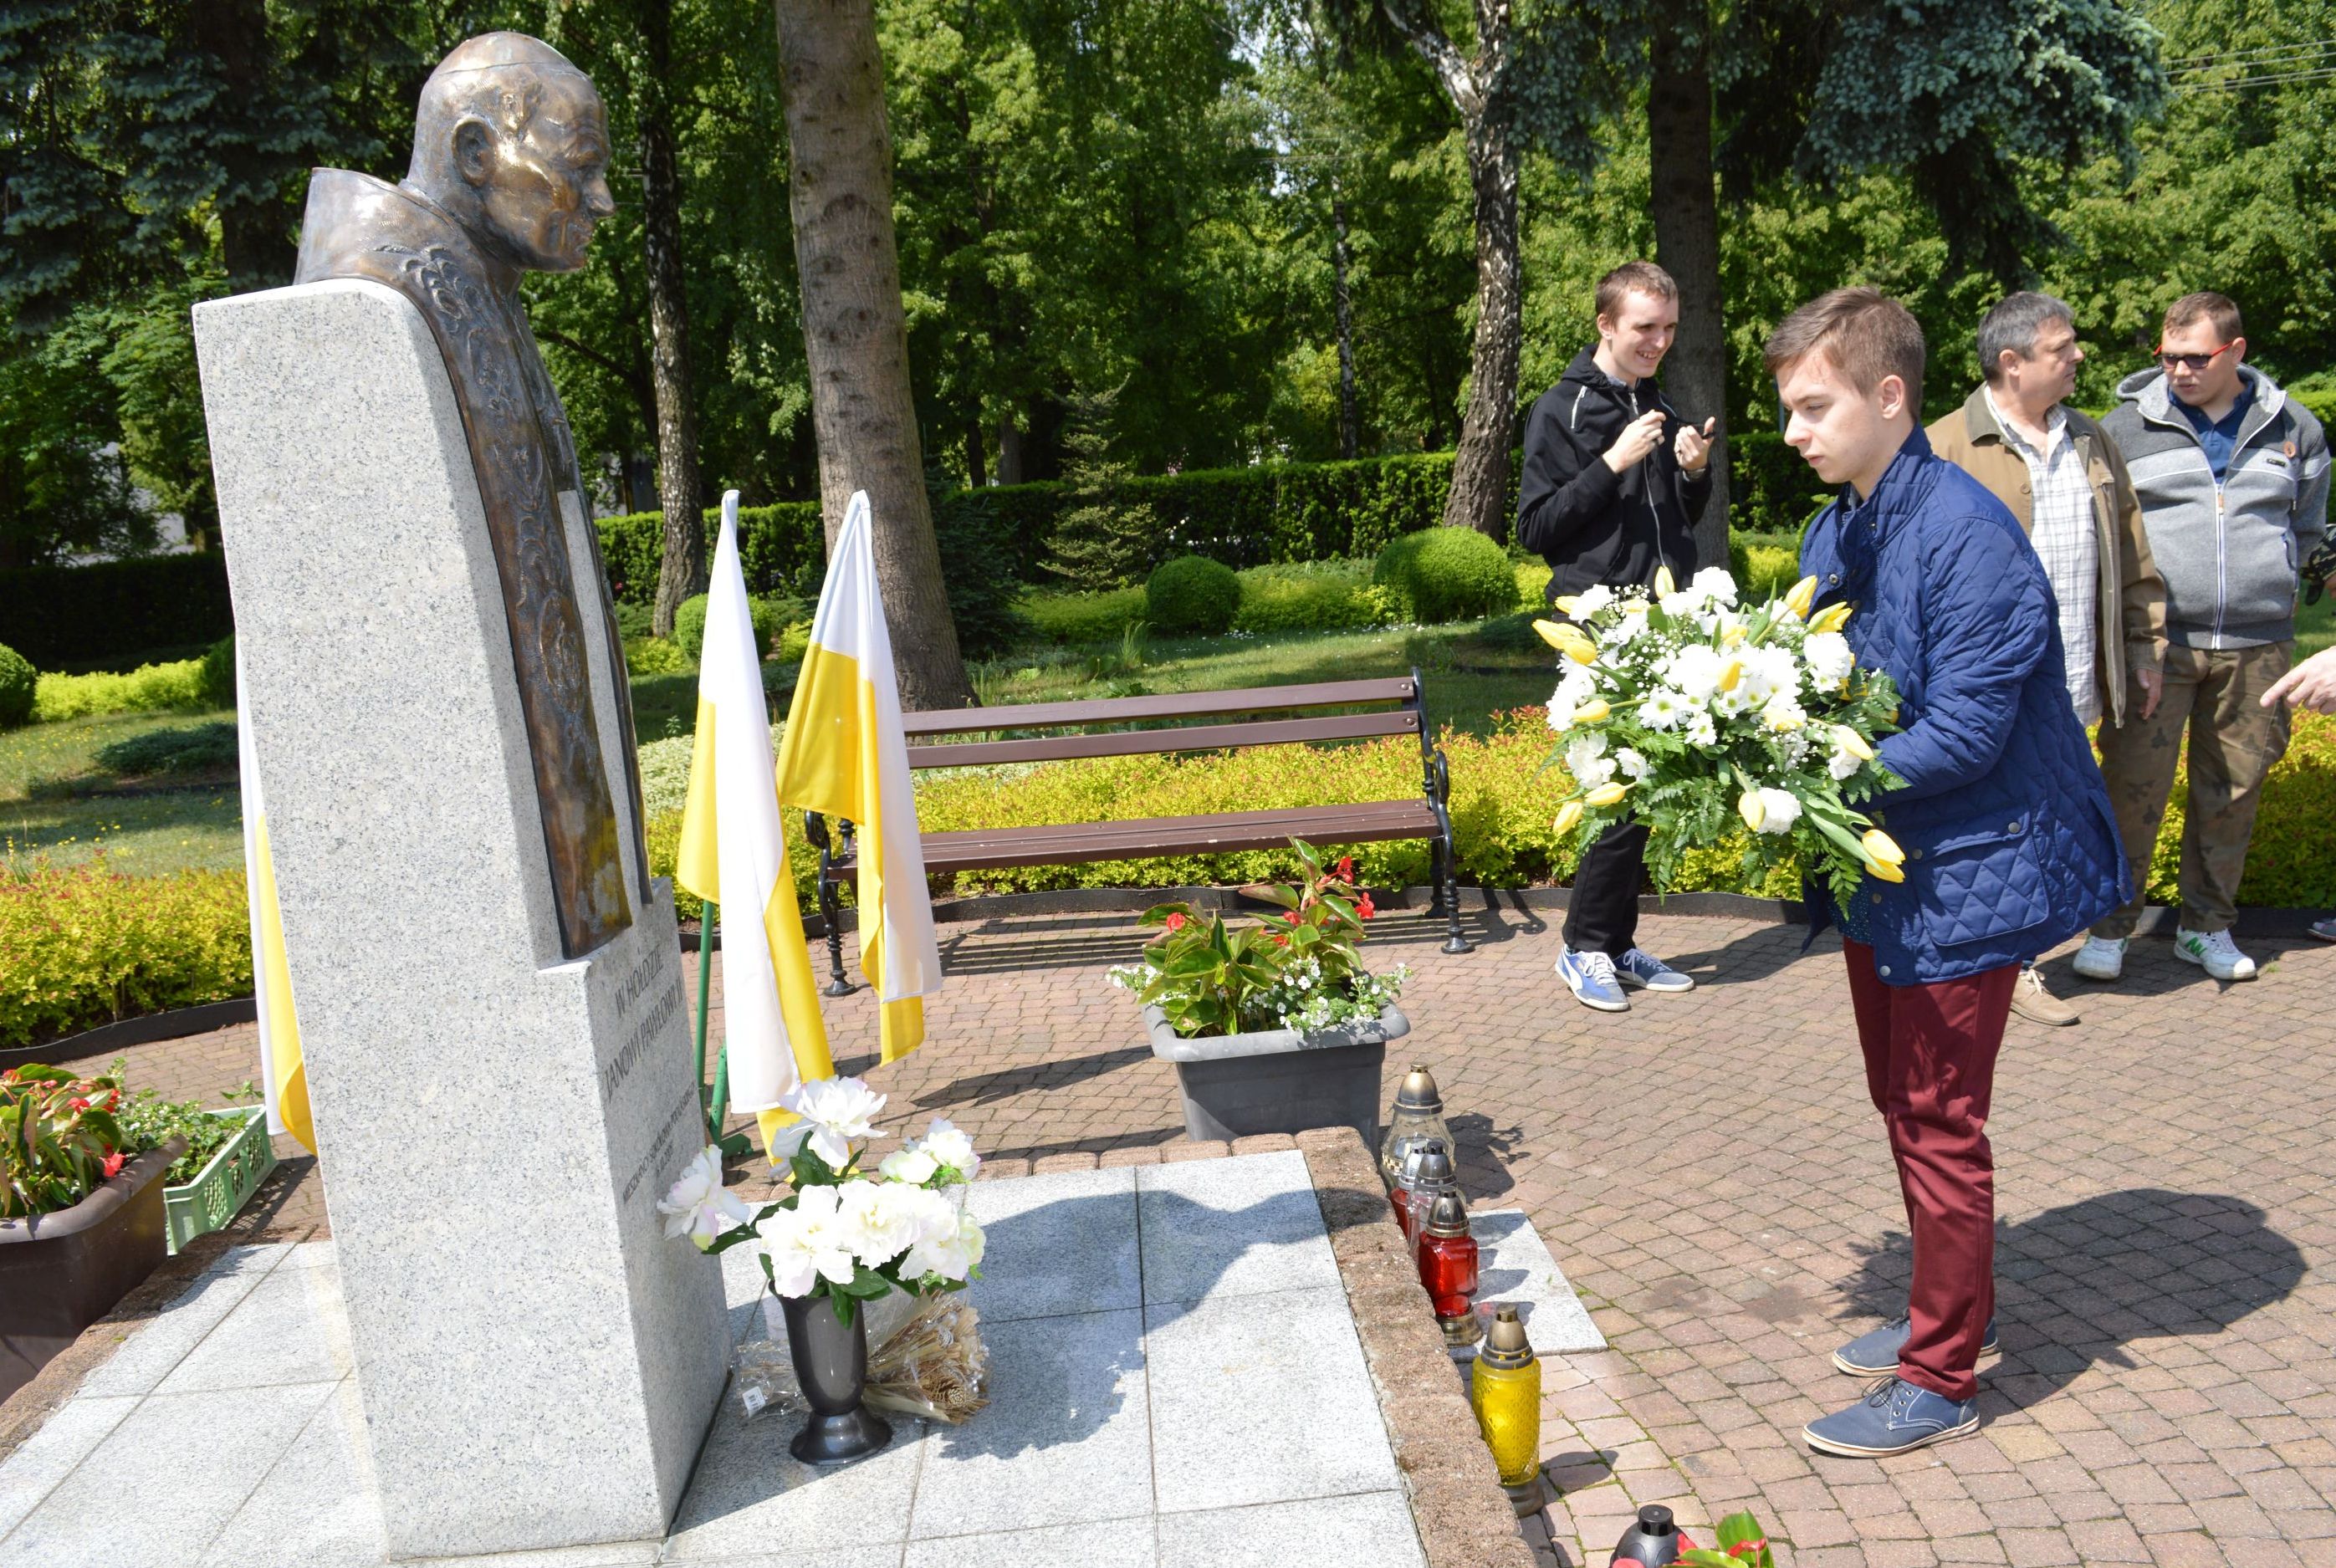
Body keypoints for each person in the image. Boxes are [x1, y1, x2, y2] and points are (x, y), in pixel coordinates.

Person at [1768, 289, 2126, 1458]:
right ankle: (1951, 1307)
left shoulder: (1970, 533)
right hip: (1885, 865)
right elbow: (1807, 675)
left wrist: (1816, 776)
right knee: (1903, 1102)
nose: (1793, 432)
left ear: (1889, 396)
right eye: (1788, 410)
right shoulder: (1840, 526)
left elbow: (1967, 732)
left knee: (1937, 1117)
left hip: (1973, 866)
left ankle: (1941, 1374)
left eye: (1813, 407)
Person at [1928, 293, 2168, 1027]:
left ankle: (2018, 955)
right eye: (2062, 347)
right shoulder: (1942, 445)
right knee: (2005, 820)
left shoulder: (2091, 437)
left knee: (2054, 817)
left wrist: (2144, 646)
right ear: (2011, 362)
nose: (2077, 356)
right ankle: (2013, 968)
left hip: (2075, 674)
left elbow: (2130, 549)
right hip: (1993, 683)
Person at [2075, 294, 2329, 984]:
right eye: (2167, 357)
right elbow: (2102, 538)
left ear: (2235, 351)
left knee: (2232, 792)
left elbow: (2307, 529)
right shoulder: (2122, 429)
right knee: (2131, 787)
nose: (2178, 370)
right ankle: (2110, 928)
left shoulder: (2294, 427)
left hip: (2258, 647)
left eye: (2194, 358)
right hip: (2158, 644)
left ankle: (2205, 927)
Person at [1517, 261, 1715, 1012]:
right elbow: (1536, 527)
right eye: (1644, 328)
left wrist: (1692, 475)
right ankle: (1582, 948)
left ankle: (1615, 941)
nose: (1658, 341)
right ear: (1605, 324)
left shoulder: (1658, 401)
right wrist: (1610, 462)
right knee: (1616, 784)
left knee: (1647, 784)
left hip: (1661, 620)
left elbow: (1669, 522)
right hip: (1595, 624)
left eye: (1668, 328)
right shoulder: (1561, 409)